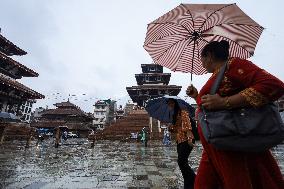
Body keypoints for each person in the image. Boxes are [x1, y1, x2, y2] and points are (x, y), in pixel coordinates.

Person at [186, 40, 284, 189]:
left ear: (210, 55)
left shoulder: (235, 65)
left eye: (202, 59)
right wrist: (196, 96)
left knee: (238, 182)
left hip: (232, 141)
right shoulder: (217, 74)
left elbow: (274, 85)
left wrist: (225, 102)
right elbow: (210, 104)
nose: (202, 63)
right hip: (214, 143)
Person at [167, 98, 196, 189]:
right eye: (168, 103)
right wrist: (170, 127)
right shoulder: (175, 115)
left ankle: (195, 179)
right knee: (182, 163)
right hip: (179, 140)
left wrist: (190, 138)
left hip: (186, 139)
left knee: (181, 161)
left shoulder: (183, 112)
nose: (170, 105)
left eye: (171, 103)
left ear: (175, 103)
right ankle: (188, 184)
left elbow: (187, 125)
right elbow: (176, 130)